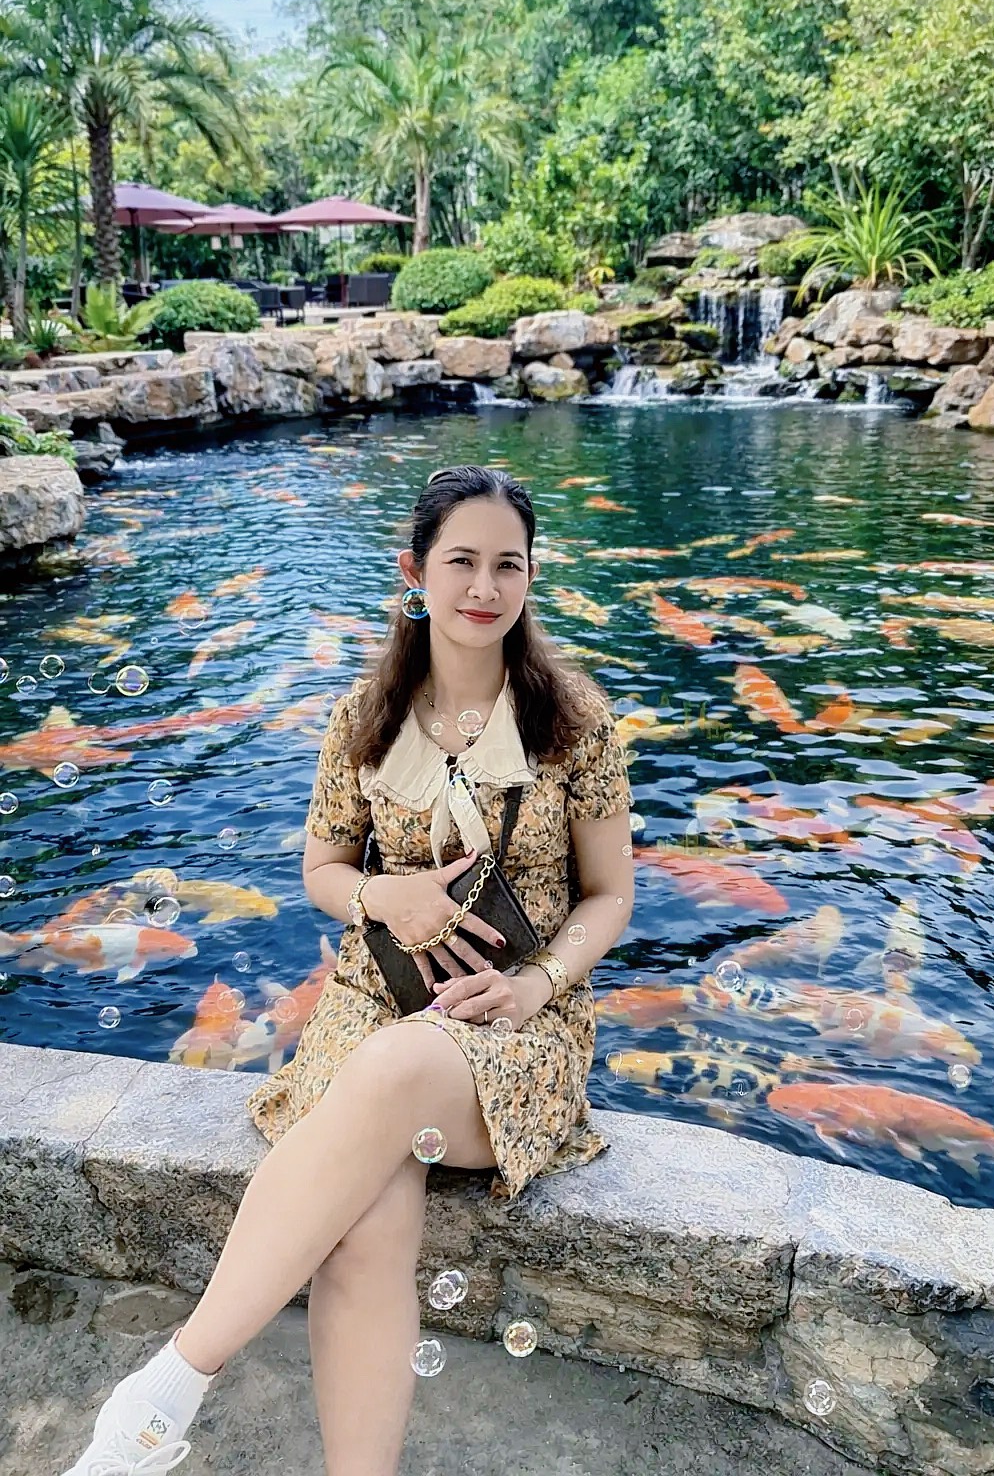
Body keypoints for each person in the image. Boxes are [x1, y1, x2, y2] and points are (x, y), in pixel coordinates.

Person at [62, 463, 633, 1476]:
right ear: (416, 572)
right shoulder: (366, 715)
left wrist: (534, 983)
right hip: (372, 996)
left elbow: (610, 896)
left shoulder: (574, 722)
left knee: (396, 1070)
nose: (484, 588)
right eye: (461, 561)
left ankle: (168, 1388)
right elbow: (323, 869)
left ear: (531, 576)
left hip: (517, 1021)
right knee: (367, 1225)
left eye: (508, 565)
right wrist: (386, 897)